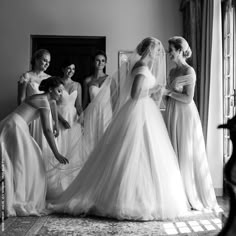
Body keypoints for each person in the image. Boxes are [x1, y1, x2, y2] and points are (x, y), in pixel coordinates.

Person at [48, 37, 189, 221]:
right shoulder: (141, 67)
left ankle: (142, 196)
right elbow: (135, 93)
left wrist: (156, 90)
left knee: (146, 153)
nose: (158, 55)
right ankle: (126, 199)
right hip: (138, 110)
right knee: (130, 152)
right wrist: (155, 90)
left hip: (145, 112)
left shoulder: (142, 66)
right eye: (156, 51)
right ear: (149, 51)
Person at [164, 36, 219, 211]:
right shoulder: (172, 72)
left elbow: (188, 98)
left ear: (180, 50)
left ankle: (191, 194)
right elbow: (168, 94)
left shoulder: (189, 71)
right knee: (173, 149)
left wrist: (169, 93)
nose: (168, 53)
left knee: (186, 152)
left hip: (185, 114)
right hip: (172, 111)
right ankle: (176, 194)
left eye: (171, 50)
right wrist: (164, 96)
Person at [1, 77, 68, 217]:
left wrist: (56, 123)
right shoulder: (43, 101)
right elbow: (47, 130)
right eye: (59, 91)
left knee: (18, 161)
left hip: (14, 123)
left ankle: (16, 195)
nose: (61, 94)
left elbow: (50, 112)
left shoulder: (41, 97)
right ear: (50, 89)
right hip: (16, 126)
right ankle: (20, 198)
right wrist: (57, 153)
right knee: (24, 162)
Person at [45, 60, 86, 200]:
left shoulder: (78, 85)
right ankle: (57, 185)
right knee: (60, 146)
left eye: (73, 69)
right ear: (63, 69)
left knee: (73, 151)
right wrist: (61, 120)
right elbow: (52, 103)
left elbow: (79, 105)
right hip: (59, 116)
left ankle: (72, 185)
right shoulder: (57, 83)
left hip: (73, 119)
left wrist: (82, 116)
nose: (71, 71)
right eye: (68, 68)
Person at [17, 49, 54, 154]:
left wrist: (55, 121)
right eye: (44, 60)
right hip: (31, 116)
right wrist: (23, 121)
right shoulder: (26, 77)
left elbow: (52, 102)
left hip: (46, 116)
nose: (47, 64)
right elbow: (21, 100)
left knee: (45, 147)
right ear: (36, 59)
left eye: (49, 62)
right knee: (31, 147)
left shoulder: (50, 79)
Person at [82, 50, 113, 154]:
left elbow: (115, 100)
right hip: (92, 113)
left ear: (105, 63)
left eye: (103, 61)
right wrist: (81, 117)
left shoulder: (110, 80)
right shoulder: (87, 80)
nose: (100, 63)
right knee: (91, 140)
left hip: (107, 112)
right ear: (93, 62)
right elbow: (85, 102)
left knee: (105, 140)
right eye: (98, 60)